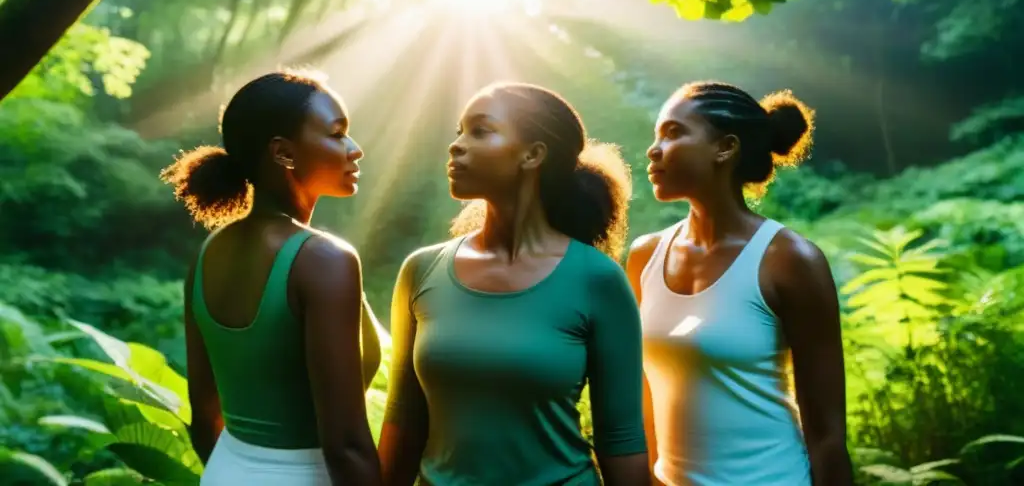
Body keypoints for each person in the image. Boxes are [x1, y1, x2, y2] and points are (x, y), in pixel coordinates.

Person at [378, 82, 650, 486]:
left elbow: (621, 439)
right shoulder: (422, 270)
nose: (456, 146)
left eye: (480, 131)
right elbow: (403, 419)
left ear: (533, 154)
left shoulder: (598, 280)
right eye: (459, 132)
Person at [160, 70, 382, 486]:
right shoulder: (324, 260)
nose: (355, 150)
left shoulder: (209, 253)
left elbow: (204, 415)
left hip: (225, 471)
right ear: (283, 153)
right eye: (337, 135)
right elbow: (347, 445)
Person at [626, 82, 853, 486]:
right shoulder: (645, 257)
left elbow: (827, 433)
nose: (654, 149)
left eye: (674, 133)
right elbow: (641, 401)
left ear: (725, 148)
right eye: (657, 134)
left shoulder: (790, 260)